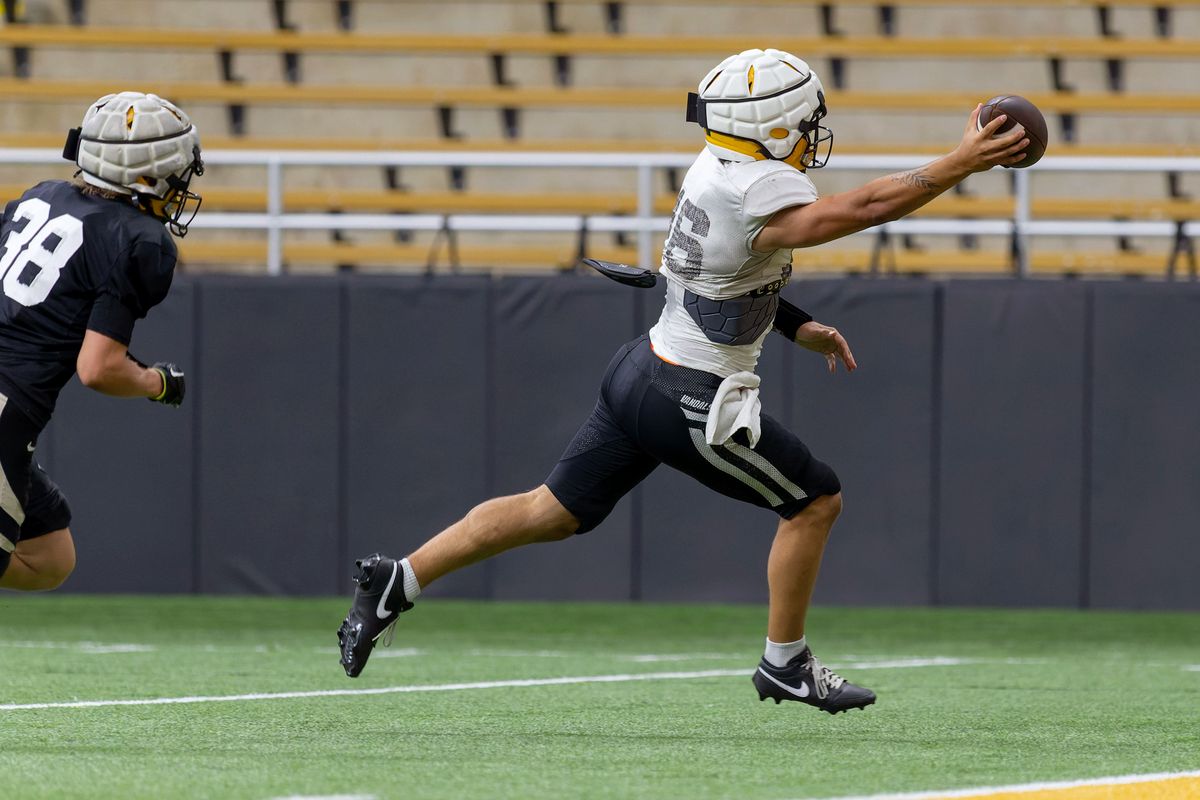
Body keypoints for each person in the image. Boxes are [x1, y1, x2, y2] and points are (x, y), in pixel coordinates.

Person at [337, 48, 1027, 713]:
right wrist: (959, 163)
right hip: (691, 394)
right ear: (769, 127)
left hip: (643, 370)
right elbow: (865, 209)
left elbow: (723, 277)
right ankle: (784, 663)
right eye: (803, 122)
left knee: (550, 510)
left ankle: (401, 576)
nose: (813, 135)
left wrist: (793, 324)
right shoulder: (756, 186)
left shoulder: (714, 167)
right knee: (816, 501)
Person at [0, 91, 203, 592]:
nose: (179, 186)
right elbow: (99, 367)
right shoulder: (140, 240)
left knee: (48, 555)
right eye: (176, 173)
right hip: (6, 409)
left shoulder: (39, 195)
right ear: (146, 175)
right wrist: (156, 383)